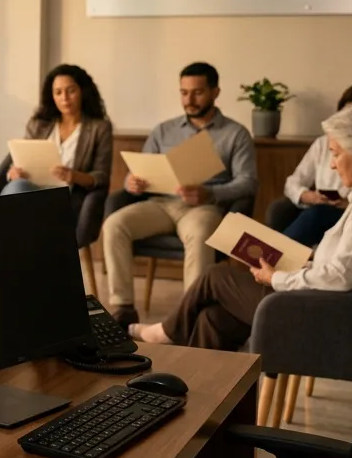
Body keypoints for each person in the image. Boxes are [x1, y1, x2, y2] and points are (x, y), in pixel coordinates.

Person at [130, 103, 352, 350]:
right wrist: (302, 264)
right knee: (213, 318)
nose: (332, 164)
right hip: (318, 298)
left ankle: (168, 332)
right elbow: (344, 267)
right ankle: (196, 372)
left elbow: (340, 276)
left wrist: (277, 278)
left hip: (321, 311)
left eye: (336, 153)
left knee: (215, 276)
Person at [102, 62, 257, 327]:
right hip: (160, 203)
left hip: (204, 207)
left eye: (197, 92)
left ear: (215, 92)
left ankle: (190, 316)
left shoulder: (235, 134)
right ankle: (123, 308)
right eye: (184, 93)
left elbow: (248, 183)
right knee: (114, 225)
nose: (189, 100)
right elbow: (137, 171)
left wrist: (210, 193)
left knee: (199, 233)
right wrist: (132, 182)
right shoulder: (163, 130)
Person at [270, 82, 352, 247]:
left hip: (344, 212)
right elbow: (293, 182)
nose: (332, 164)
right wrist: (308, 196)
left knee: (317, 214)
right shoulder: (322, 143)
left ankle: (275, 254)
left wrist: (349, 204)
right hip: (316, 206)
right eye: (344, 114)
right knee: (282, 210)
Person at [0, 63, 114, 198]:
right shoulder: (38, 125)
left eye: (71, 91)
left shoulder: (99, 128)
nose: (64, 98)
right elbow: (20, 162)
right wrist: (13, 173)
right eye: (58, 92)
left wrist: (74, 176)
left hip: (65, 195)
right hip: (30, 189)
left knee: (17, 191)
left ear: (83, 92)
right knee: (18, 186)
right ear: (52, 96)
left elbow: (101, 176)